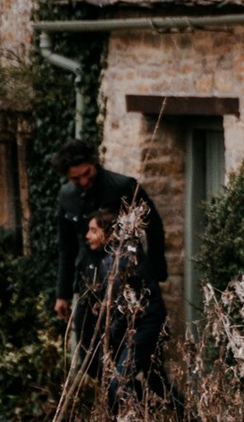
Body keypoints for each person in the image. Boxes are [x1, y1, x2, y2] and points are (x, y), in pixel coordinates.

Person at [53, 139, 167, 406]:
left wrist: (154, 271)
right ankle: (133, 402)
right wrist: (62, 293)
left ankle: (135, 407)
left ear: (94, 164)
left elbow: (155, 225)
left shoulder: (122, 186)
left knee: (147, 364)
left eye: (87, 175)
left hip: (126, 283)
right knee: (88, 357)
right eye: (75, 178)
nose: (83, 182)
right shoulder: (66, 197)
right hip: (91, 283)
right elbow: (66, 247)